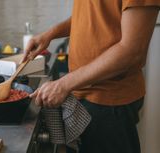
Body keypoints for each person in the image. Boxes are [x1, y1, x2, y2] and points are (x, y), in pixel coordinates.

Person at [22, 0, 160, 153]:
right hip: (81, 94)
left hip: (109, 105)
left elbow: (132, 52)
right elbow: (90, 18)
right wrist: (50, 34)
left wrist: (64, 84)